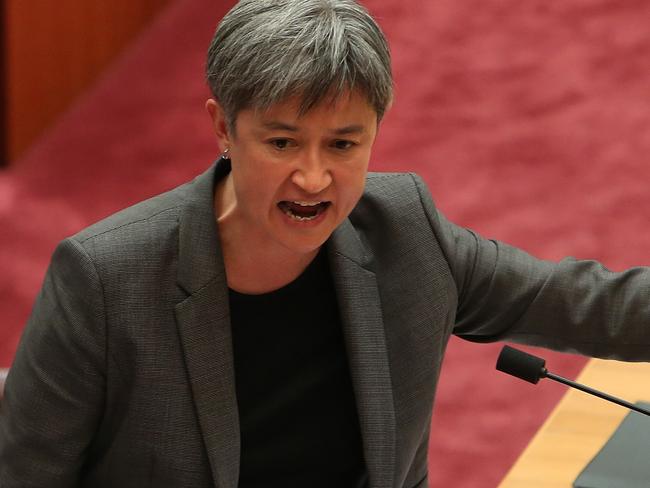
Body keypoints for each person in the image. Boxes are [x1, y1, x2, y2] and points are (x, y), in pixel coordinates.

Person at [1, 0, 649, 487]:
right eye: (282, 143)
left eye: (343, 144)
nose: (314, 178)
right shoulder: (106, 280)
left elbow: (582, 303)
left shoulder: (403, 231)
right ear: (223, 128)